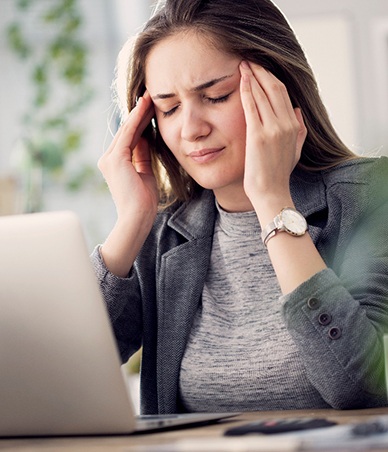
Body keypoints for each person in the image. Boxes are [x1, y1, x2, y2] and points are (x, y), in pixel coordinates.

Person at [92, 0, 388, 414]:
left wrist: (272, 201)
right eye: (169, 108)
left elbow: (363, 386)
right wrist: (132, 221)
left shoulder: (371, 197)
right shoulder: (164, 233)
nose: (192, 129)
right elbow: (54, 376)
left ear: (279, 90)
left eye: (215, 96)